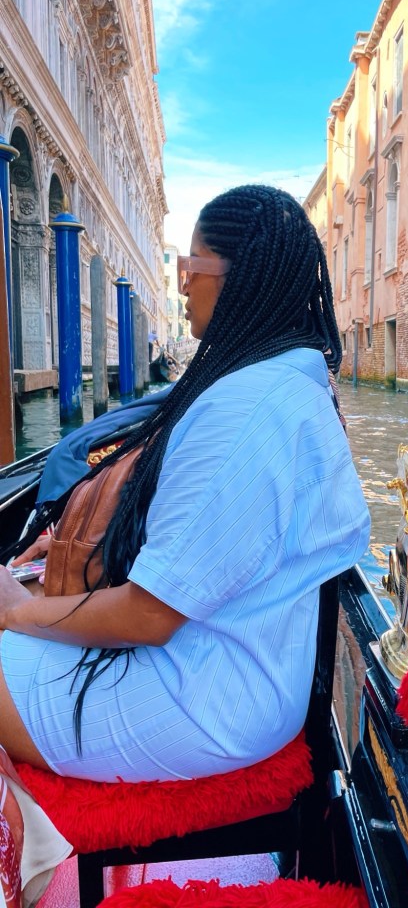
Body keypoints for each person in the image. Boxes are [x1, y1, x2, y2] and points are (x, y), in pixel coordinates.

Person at [0, 184, 371, 783]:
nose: (181, 286)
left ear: (238, 278)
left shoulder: (243, 410)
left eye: (190, 265)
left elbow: (149, 617)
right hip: (244, 676)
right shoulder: (289, 381)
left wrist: (21, 611)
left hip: (201, 702)